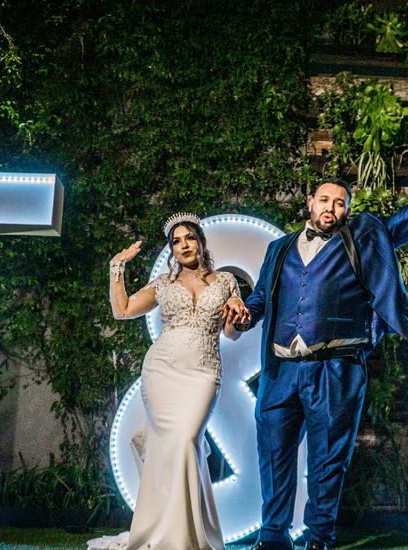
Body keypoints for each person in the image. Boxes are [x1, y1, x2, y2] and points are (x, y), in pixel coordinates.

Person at [224, 137, 408, 550]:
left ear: (347, 209)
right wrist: (243, 314)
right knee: (274, 457)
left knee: (328, 461)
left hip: (336, 370)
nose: (331, 208)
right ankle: (272, 538)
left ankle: (318, 539)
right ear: (310, 203)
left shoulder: (362, 238)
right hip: (280, 371)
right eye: (324, 200)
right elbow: (260, 301)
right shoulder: (278, 248)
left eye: (340, 203)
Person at [88, 213, 248, 550]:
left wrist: (237, 314)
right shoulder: (164, 283)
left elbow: (231, 335)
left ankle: (189, 533)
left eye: (189, 238)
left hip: (203, 372)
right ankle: (166, 534)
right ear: (172, 250)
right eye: (177, 241)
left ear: (202, 242)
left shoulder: (225, 283)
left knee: (187, 438)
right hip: (161, 372)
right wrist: (116, 267)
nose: (184, 245)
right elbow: (124, 309)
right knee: (171, 446)